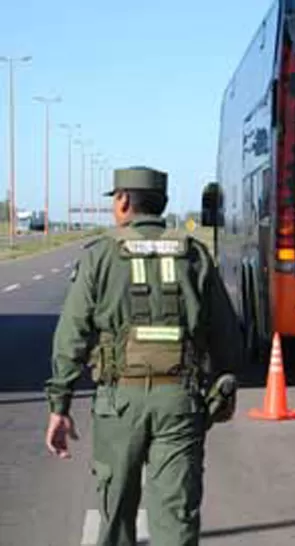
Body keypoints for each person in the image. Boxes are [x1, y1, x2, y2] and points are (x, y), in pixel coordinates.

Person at [44, 166, 244, 546]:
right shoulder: (194, 254)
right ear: (162, 203)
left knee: (116, 513)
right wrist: (222, 387)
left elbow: (71, 336)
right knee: (175, 518)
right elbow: (226, 338)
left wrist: (59, 405)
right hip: (180, 401)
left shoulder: (101, 255)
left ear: (123, 201)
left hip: (118, 403)